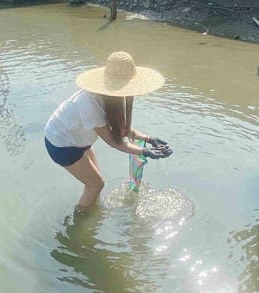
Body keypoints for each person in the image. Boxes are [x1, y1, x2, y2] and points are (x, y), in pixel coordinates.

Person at [44, 51, 172, 210]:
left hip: (79, 138)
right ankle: (79, 219)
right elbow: (114, 142)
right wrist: (145, 152)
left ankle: (91, 205)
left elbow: (120, 129)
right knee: (96, 185)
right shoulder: (89, 104)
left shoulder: (111, 98)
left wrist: (149, 139)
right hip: (61, 143)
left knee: (95, 183)